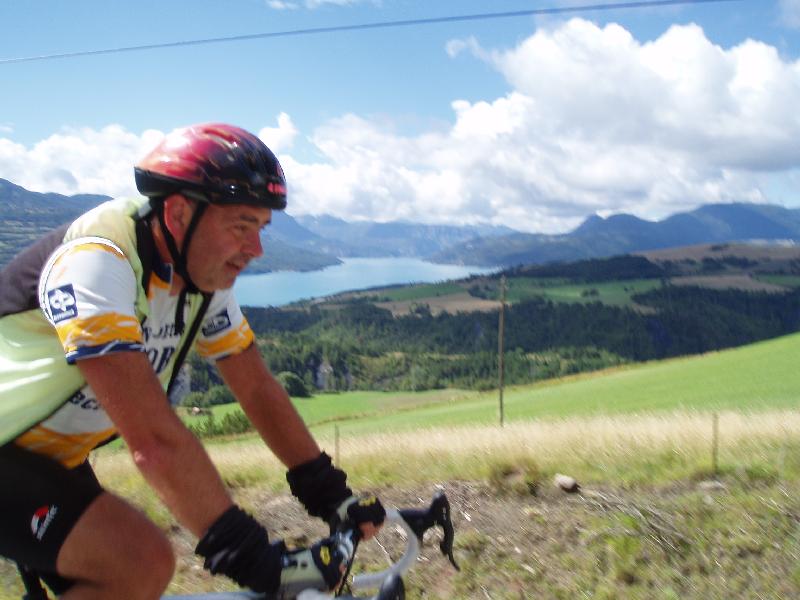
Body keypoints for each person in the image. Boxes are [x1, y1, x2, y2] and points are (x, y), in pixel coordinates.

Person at [0, 123, 385, 599]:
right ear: (179, 213)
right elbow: (155, 442)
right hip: (8, 448)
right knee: (139, 561)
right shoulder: (98, 262)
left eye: (262, 229)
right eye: (242, 226)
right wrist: (253, 558)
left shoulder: (201, 279)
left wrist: (330, 494)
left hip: (43, 455)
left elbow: (256, 388)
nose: (257, 249)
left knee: (125, 572)